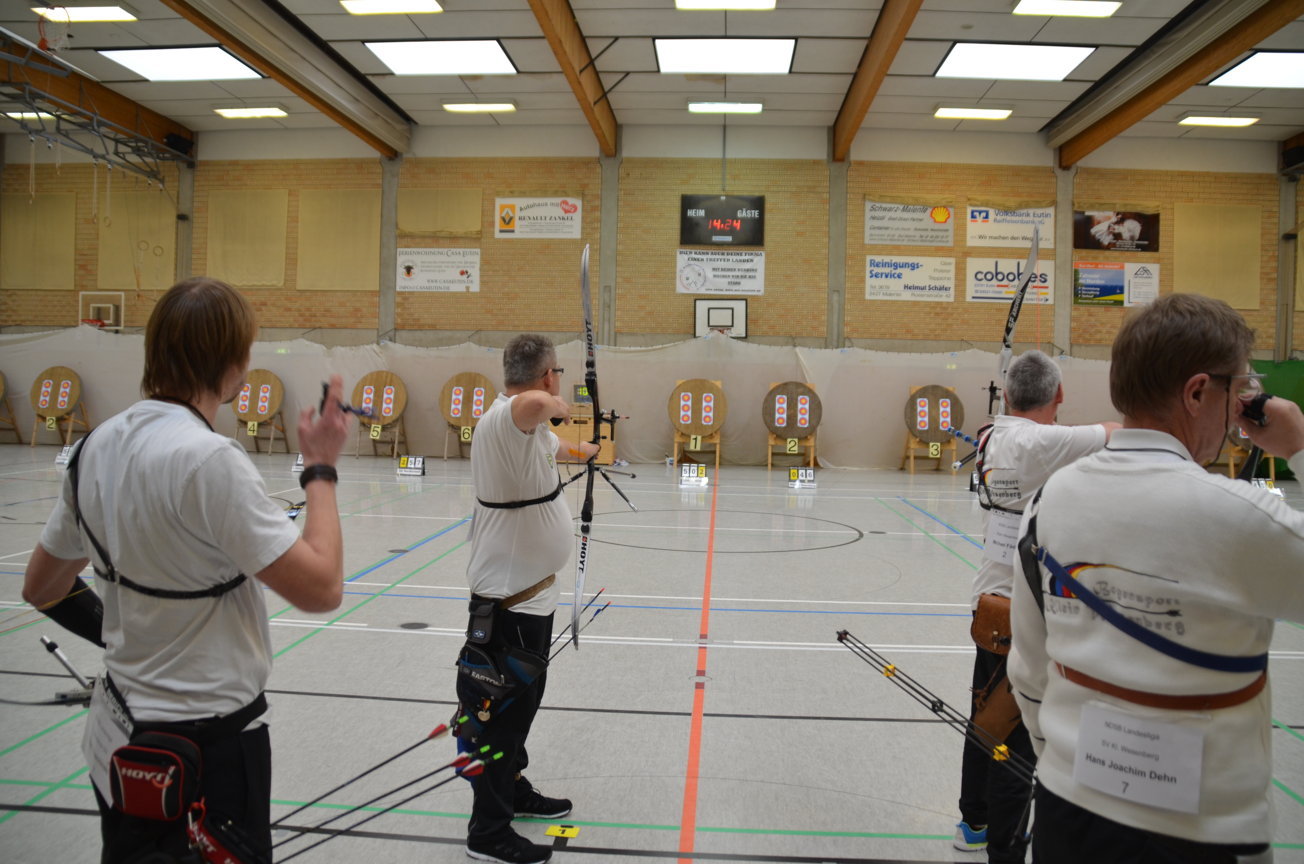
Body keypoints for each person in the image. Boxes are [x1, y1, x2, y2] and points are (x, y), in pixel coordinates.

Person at [22, 276, 351, 863]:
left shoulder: (96, 446)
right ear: (232, 365)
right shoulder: (209, 459)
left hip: (119, 738)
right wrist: (321, 467)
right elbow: (322, 588)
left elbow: (42, 586)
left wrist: (126, 633)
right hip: (210, 752)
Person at [1009, 293, 1304, 864]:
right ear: (1197, 393)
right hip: (1199, 835)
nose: (1240, 409)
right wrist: (1298, 446)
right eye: (1238, 390)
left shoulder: (1050, 499)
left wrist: (1063, 760)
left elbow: (1029, 667)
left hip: (1066, 811)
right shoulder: (1241, 517)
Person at [955, 350, 1119, 861]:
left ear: (1006, 396)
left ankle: (973, 822)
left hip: (989, 604)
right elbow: (1116, 432)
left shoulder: (991, 436)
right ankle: (1003, 850)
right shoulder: (1043, 442)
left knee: (986, 717)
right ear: (1060, 395)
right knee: (1019, 740)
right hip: (1026, 618)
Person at [456, 334, 598, 864]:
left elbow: (551, 445)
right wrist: (559, 402)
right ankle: (487, 834)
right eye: (556, 373)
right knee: (500, 720)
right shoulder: (506, 417)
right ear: (546, 375)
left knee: (520, 709)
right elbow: (535, 406)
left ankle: (513, 792)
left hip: (530, 600)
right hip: (507, 606)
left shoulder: (525, 431)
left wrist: (586, 451)